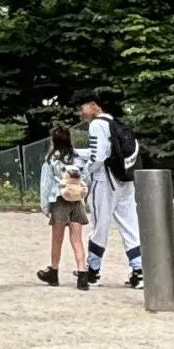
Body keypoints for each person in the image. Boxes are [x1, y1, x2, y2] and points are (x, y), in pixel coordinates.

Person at [78, 95, 143, 290]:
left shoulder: (96, 125)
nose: (80, 113)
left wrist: (83, 171)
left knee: (100, 225)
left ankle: (93, 270)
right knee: (130, 224)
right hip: (124, 179)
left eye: (82, 107)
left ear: (94, 106)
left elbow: (98, 156)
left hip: (104, 180)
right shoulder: (115, 123)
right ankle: (139, 270)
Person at [36, 118, 91, 286]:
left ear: (54, 141)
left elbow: (46, 185)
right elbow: (87, 178)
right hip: (76, 201)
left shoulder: (52, 160)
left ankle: (54, 270)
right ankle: (82, 273)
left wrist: (45, 206)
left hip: (59, 199)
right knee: (77, 239)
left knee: (57, 239)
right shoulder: (78, 159)